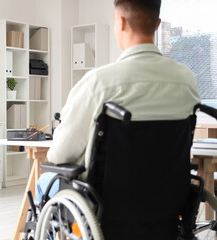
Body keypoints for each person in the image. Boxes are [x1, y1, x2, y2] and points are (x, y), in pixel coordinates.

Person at [36, 0, 201, 238]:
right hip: (168, 203)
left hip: (107, 208)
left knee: (45, 182)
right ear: (157, 24)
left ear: (120, 22)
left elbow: (60, 155)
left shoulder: (99, 83)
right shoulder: (186, 80)